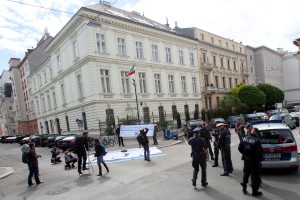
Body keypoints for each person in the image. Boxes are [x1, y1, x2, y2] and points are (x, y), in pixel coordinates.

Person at [238, 127, 263, 196]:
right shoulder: (257, 140)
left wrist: (245, 154)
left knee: (246, 173)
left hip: (246, 159)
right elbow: (259, 153)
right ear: (256, 133)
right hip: (254, 160)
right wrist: (259, 160)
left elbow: (239, 148)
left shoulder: (244, 138)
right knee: (254, 175)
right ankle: (254, 191)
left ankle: (244, 188)